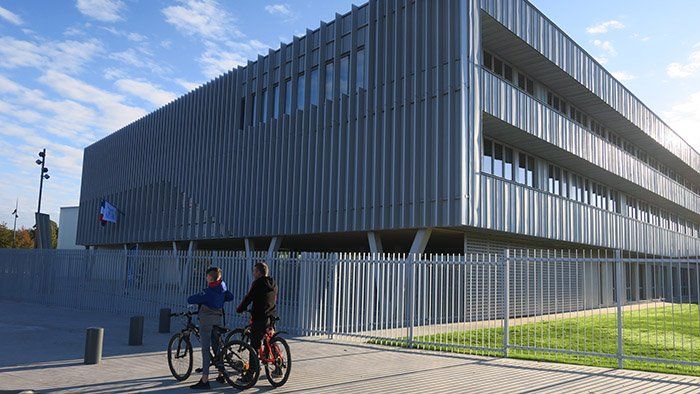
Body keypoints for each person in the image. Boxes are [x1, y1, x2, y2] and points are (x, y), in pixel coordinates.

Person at [187, 266, 234, 390]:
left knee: (206, 350)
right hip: (218, 320)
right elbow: (230, 297)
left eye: (206, 276)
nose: (205, 277)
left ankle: (205, 380)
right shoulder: (223, 288)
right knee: (217, 347)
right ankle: (220, 374)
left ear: (210, 277)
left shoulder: (208, 292)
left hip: (206, 322)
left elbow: (191, 299)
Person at [236, 262, 279, 383]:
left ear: (259, 272)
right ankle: (278, 367)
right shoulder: (273, 283)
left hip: (259, 317)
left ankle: (250, 374)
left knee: (254, 346)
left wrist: (240, 309)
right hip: (271, 317)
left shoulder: (258, 283)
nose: (253, 273)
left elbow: (248, 297)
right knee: (270, 341)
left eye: (254, 271)